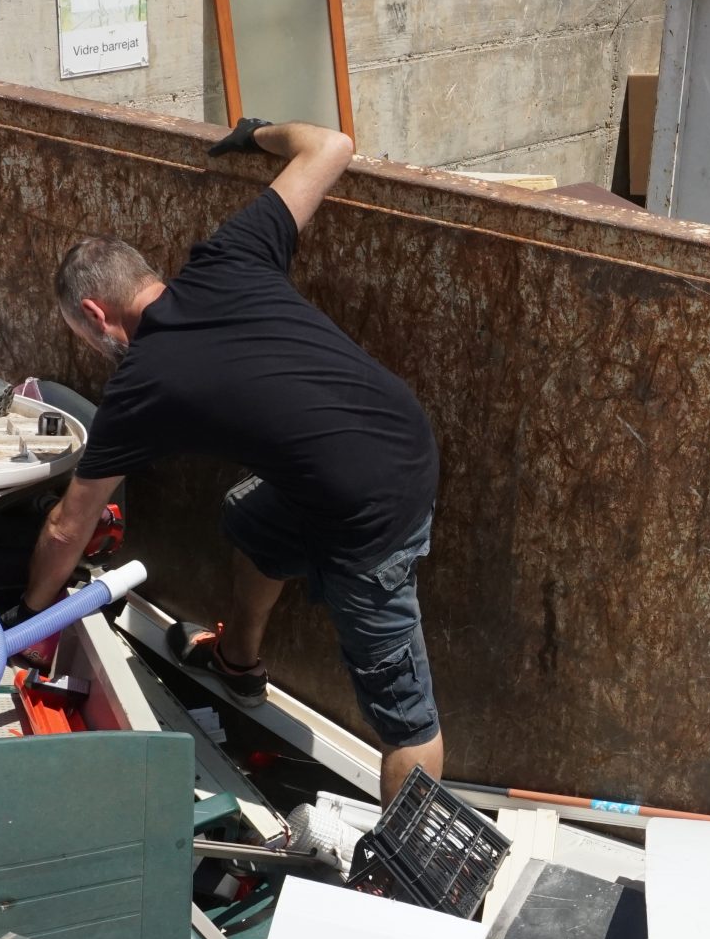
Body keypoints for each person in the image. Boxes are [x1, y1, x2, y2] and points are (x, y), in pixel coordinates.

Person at [22, 119, 445, 800]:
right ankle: (239, 661)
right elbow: (332, 146)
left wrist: (30, 614)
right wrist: (256, 134)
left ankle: (410, 885)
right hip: (392, 432)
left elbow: (69, 528)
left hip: (374, 506)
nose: (94, 348)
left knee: (405, 712)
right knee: (250, 518)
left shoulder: (141, 383)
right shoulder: (232, 253)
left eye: (84, 336)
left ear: (99, 315)